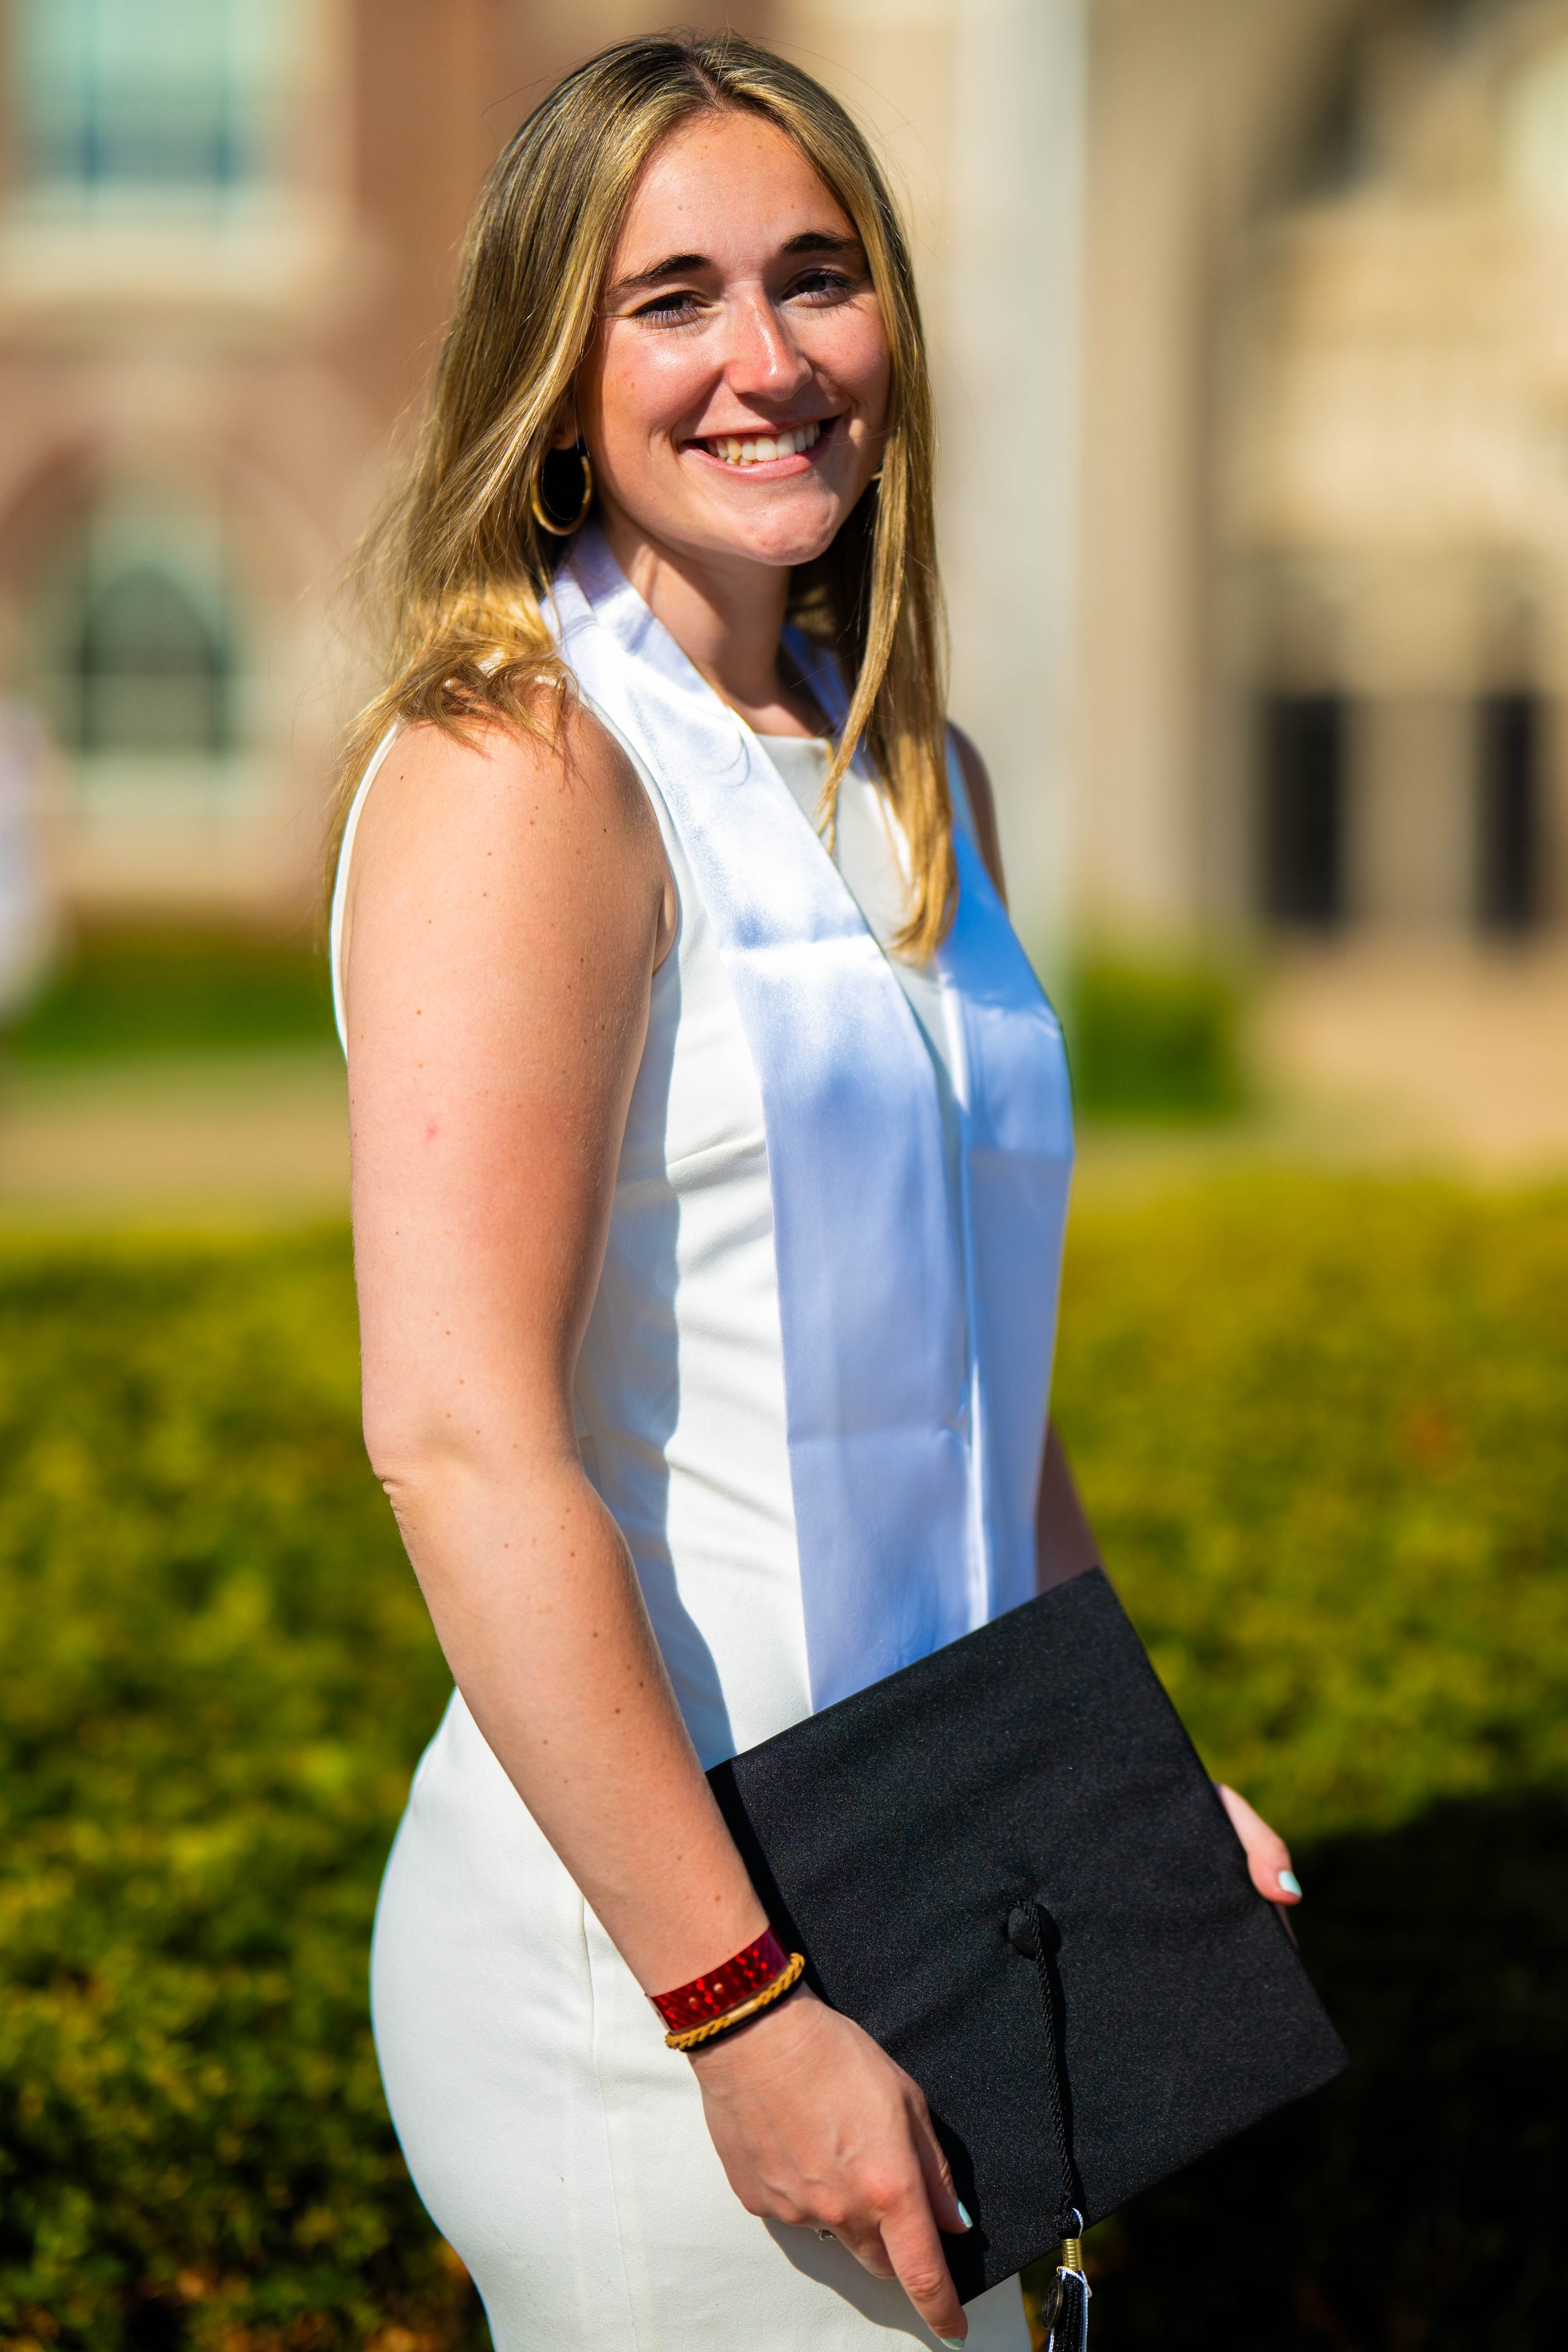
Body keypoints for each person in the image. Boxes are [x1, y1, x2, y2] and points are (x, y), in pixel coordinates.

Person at [330, 33, 1301, 2351]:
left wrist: (1130, 1794)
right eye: (670, 299)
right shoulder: (523, 767)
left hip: (955, 1877)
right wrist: (737, 2008)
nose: (763, 361)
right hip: (665, 1954)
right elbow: (461, 1443)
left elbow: (985, 1371)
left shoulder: (907, 760)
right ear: (556, 380)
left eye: (815, 279)